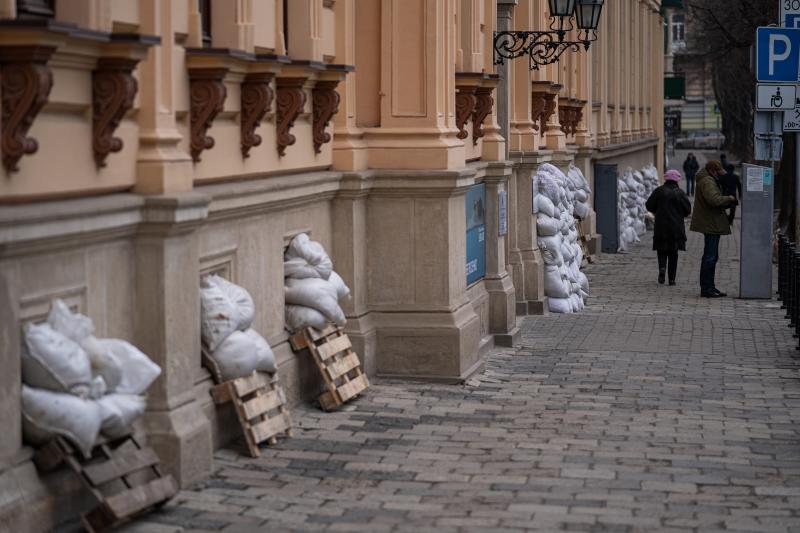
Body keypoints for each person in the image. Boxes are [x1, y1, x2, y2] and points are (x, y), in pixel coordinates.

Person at [689, 160, 738, 298]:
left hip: (711, 222)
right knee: (710, 257)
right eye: (718, 172)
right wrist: (729, 198)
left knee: (712, 256)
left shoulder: (708, 179)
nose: (719, 175)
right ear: (712, 170)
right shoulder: (708, 182)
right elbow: (714, 200)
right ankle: (707, 288)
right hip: (710, 223)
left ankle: (710, 286)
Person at [646, 169, 692, 286]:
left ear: (666, 179)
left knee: (661, 250)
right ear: (677, 180)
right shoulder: (680, 193)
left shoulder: (659, 191)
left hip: (661, 225)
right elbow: (687, 210)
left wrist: (658, 210)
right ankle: (672, 279)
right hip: (676, 227)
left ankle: (662, 268)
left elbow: (649, 205)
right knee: (673, 252)